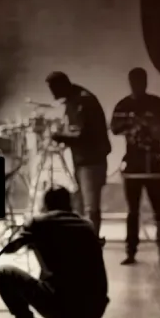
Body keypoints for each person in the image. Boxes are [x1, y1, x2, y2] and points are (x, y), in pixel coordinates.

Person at [0, 186, 109, 318]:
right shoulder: (88, 225)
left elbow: (9, 248)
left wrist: (18, 231)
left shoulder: (38, 222)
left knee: (2, 273)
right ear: (69, 205)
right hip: (94, 309)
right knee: (68, 273)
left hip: (62, 307)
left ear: (46, 205)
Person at [110, 68, 160, 267]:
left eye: (140, 82)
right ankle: (131, 252)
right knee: (133, 211)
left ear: (145, 82)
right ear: (130, 82)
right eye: (135, 82)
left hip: (153, 162)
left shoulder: (156, 103)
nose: (137, 86)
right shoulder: (124, 105)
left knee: (159, 210)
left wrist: (150, 124)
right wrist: (131, 124)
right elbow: (114, 128)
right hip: (133, 164)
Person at [46, 71, 111, 233]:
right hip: (83, 159)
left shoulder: (83, 101)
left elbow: (84, 135)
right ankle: (86, 237)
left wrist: (59, 137)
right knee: (82, 204)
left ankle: (92, 239)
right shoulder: (75, 100)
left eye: (53, 89)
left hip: (91, 160)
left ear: (61, 85)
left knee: (90, 205)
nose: (52, 94)